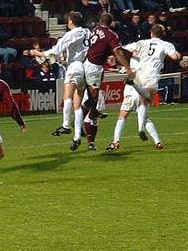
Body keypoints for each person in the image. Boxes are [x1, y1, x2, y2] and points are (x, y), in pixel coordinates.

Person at [107, 24, 180, 151]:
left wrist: (129, 57)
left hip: (137, 77)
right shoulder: (166, 45)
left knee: (123, 114)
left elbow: (122, 49)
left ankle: (116, 141)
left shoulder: (140, 44)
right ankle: (146, 133)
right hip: (150, 76)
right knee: (145, 105)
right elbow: (174, 57)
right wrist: (178, 54)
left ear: (151, 33)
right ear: (162, 34)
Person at [28, 12, 91, 139]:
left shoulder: (71, 34)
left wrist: (38, 53)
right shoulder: (87, 32)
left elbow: (55, 51)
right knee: (77, 104)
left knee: (67, 97)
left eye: (68, 20)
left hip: (74, 66)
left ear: (71, 22)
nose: (68, 23)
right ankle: (77, 136)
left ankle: (66, 125)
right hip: (85, 67)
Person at [76, 13, 133, 151]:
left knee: (94, 103)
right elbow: (117, 52)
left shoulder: (95, 29)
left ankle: (89, 139)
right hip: (94, 67)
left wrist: (127, 52)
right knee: (95, 101)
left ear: (100, 21)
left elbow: (108, 49)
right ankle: (78, 122)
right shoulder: (111, 35)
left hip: (86, 63)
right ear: (112, 22)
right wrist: (128, 68)